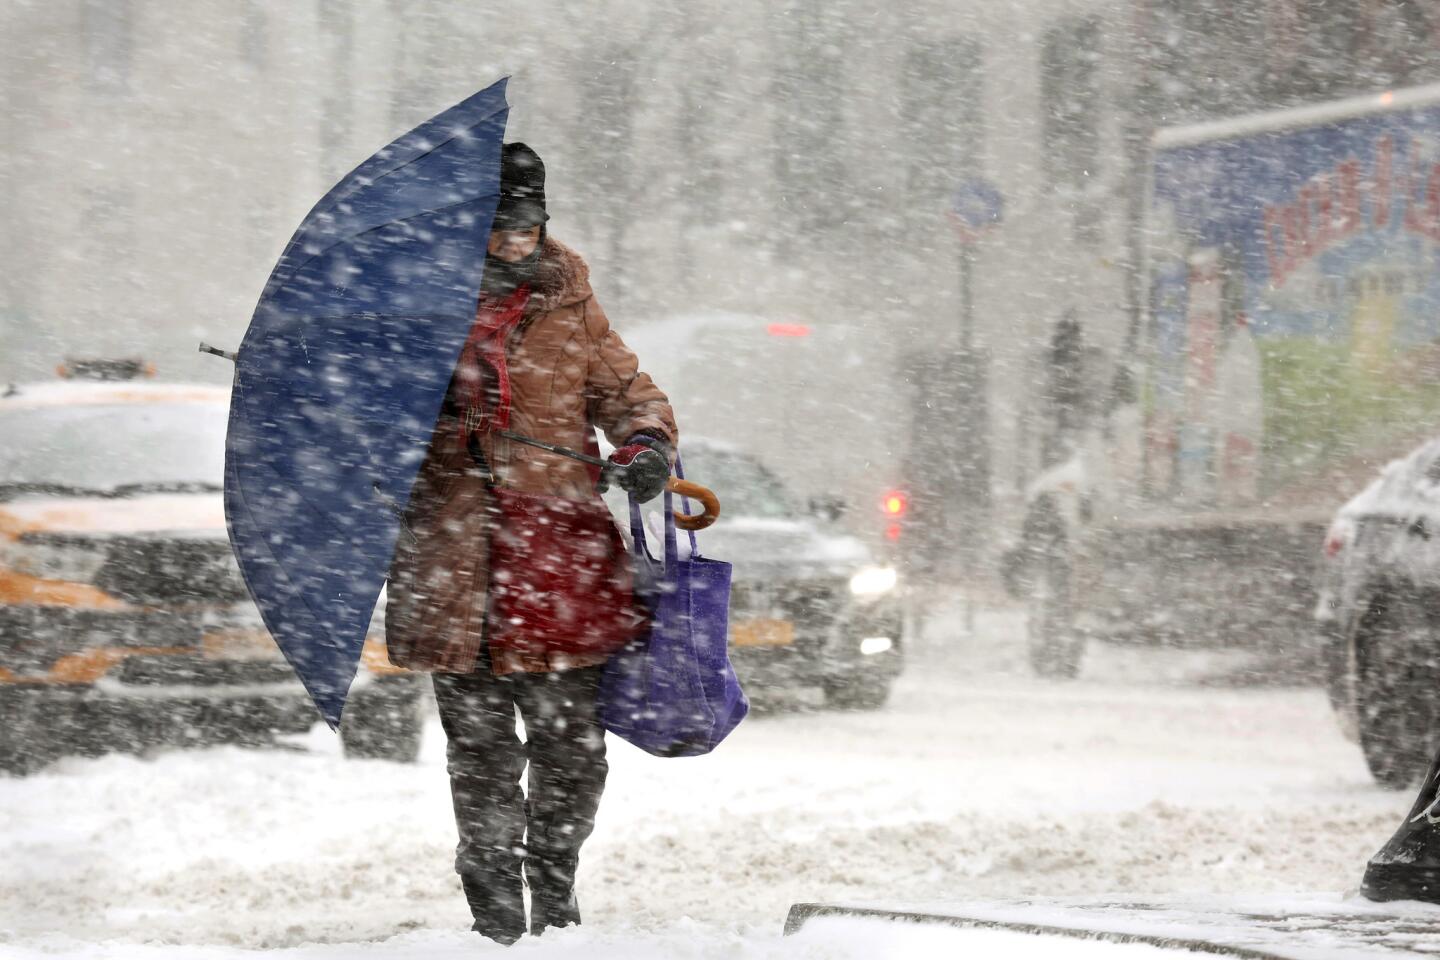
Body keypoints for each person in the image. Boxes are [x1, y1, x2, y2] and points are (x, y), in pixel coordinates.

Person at [384, 142, 677, 945]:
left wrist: (646, 443)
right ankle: (492, 901)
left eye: (527, 225)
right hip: (452, 565)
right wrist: (420, 422)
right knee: (477, 754)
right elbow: (371, 432)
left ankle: (554, 883)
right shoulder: (416, 310)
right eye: (499, 228)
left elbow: (626, 391)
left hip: (559, 564)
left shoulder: (570, 303)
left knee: (573, 752)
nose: (515, 242)